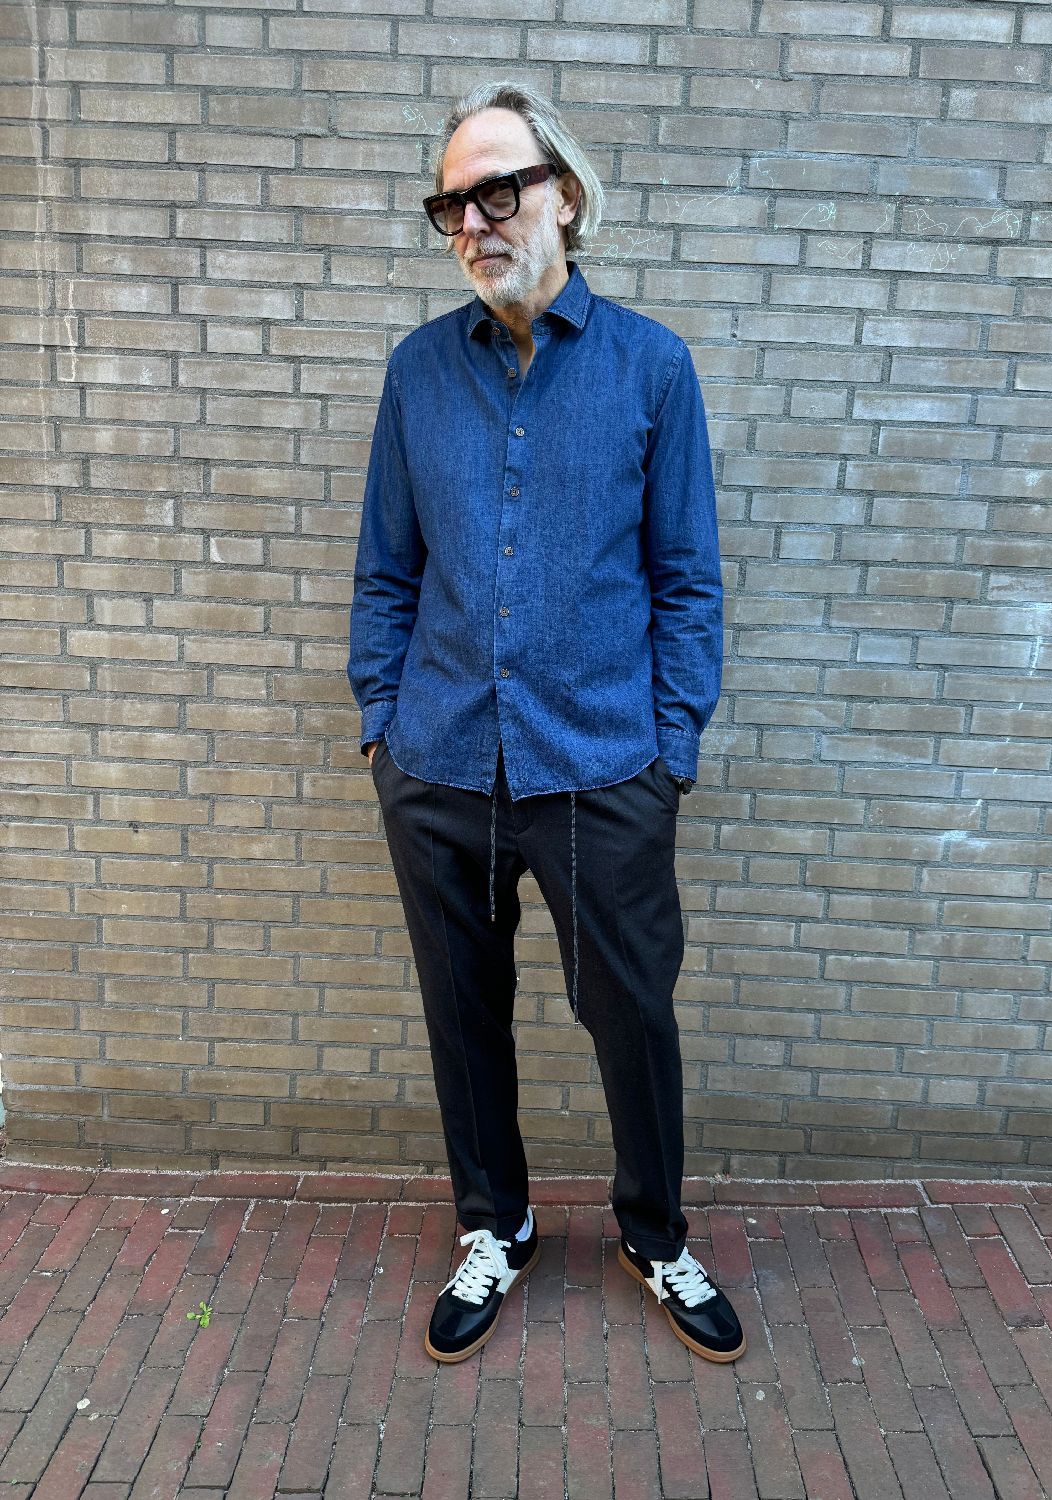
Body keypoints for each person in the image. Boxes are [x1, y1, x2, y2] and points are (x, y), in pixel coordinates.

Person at [347, 80, 744, 1365]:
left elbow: (687, 579)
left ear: (565, 196)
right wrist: (381, 722)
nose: (472, 222)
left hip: (605, 767)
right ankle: (496, 1224)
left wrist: (669, 750)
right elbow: (386, 572)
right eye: (450, 204)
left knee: (633, 1015)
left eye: (497, 191)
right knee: (462, 1016)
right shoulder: (417, 373)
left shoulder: (651, 368)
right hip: (440, 762)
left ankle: (655, 1233)